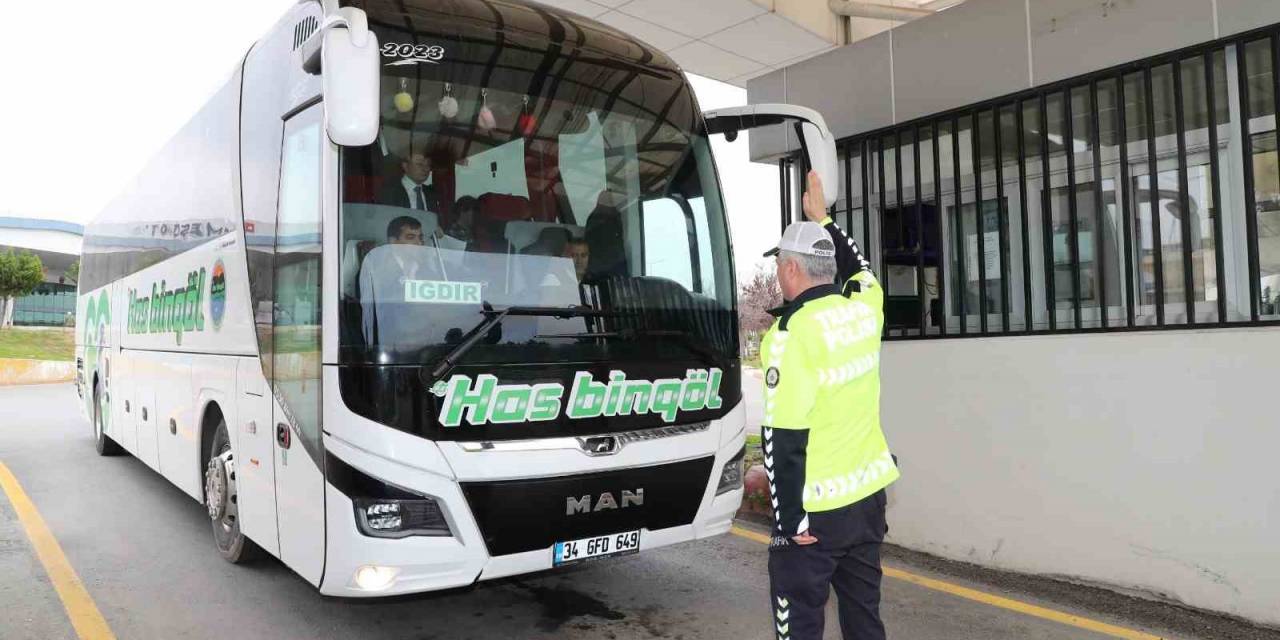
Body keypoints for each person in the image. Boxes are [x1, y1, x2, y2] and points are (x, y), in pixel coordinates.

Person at [761, 170, 898, 640]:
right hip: (867, 504)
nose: (778, 273)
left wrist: (788, 523)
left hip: (815, 516)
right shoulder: (865, 308)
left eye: (779, 264)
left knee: (798, 624)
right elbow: (862, 268)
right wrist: (824, 220)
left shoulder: (789, 334)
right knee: (864, 620)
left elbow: (782, 436)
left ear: (791, 270)